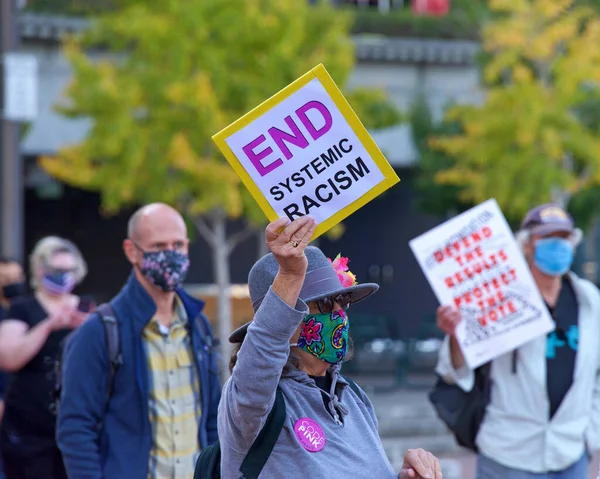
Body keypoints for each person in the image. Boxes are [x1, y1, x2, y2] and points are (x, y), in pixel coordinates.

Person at [219, 216, 442, 479]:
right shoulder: (252, 403)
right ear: (285, 319)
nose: (339, 314)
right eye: (324, 305)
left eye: (341, 301)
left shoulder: (353, 397)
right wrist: (290, 276)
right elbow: (265, 344)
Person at [435, 203, 600, 478]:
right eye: (547, 238)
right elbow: (457, 370)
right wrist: (456, 334)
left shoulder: (590, 301)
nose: (558, 245)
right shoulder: (495, 298)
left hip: (570, 454)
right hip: (508, 454)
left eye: (564, 237)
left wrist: (590, 435)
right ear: (526, 245)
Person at [57, 203, 220, 479]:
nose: (171, 255)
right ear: (131, 251)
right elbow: (75, 429)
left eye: (178, 244)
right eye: (158, 247)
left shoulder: (198, 325)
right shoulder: (100, 332)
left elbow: (213, 419)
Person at [0, 236, 89, 479]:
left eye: (68, 270)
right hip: (28, 430)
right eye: (55, 270)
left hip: (75, 427)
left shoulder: (87, 309)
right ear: (40, 270)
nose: (62, 275)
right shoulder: (22, 308)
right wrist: (49, 324)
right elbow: (8, 357)